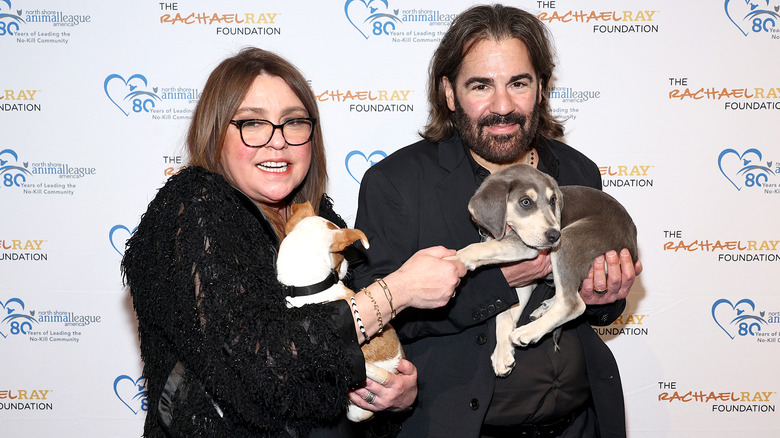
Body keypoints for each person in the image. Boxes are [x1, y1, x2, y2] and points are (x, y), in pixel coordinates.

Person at [121, 47, 465, 438]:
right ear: (216, 131)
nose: (278, 142)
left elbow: (344, 367)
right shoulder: (193, 207)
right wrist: (396, 292)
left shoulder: (318, 220)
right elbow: (263, 367)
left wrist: (394, 395)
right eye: (252, 123)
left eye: (293, 122)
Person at [353, 5, 642, 438]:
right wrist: (499, 280)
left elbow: (597, 303)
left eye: (518, 83)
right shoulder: (396, 183)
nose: (502, 106)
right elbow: (377, 314)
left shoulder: (578, 172)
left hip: (580, 424)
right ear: (449, 93)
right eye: (480, 86)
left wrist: (607, 293)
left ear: (541, 89)